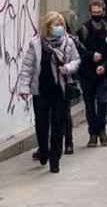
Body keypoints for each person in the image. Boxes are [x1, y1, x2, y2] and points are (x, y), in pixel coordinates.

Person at [18, 12, 81, 173]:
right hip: (41, 91)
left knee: (58, 125)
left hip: (60, 91)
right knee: (41, 124)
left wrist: (67, 68)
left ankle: (55, 159)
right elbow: (27, 67)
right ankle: (43, 151)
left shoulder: (68, 43)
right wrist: (24, 88)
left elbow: (76, 60)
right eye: (55, 24)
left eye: (60, 24)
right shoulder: (36, 44)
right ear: (47, 27)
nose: (59, 27)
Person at [77, 0, 107, 148]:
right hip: (87, 73)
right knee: (89, 105)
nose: (96, 15)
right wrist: (91, 55)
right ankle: (93, 133)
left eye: (99, 13)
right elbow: (78, 51)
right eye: (94, 13)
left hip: (103, 73)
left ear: (103, 12)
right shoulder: (83, 30)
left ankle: (102, 130)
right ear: (90, 13)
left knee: (103, 101)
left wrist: (104, 66)